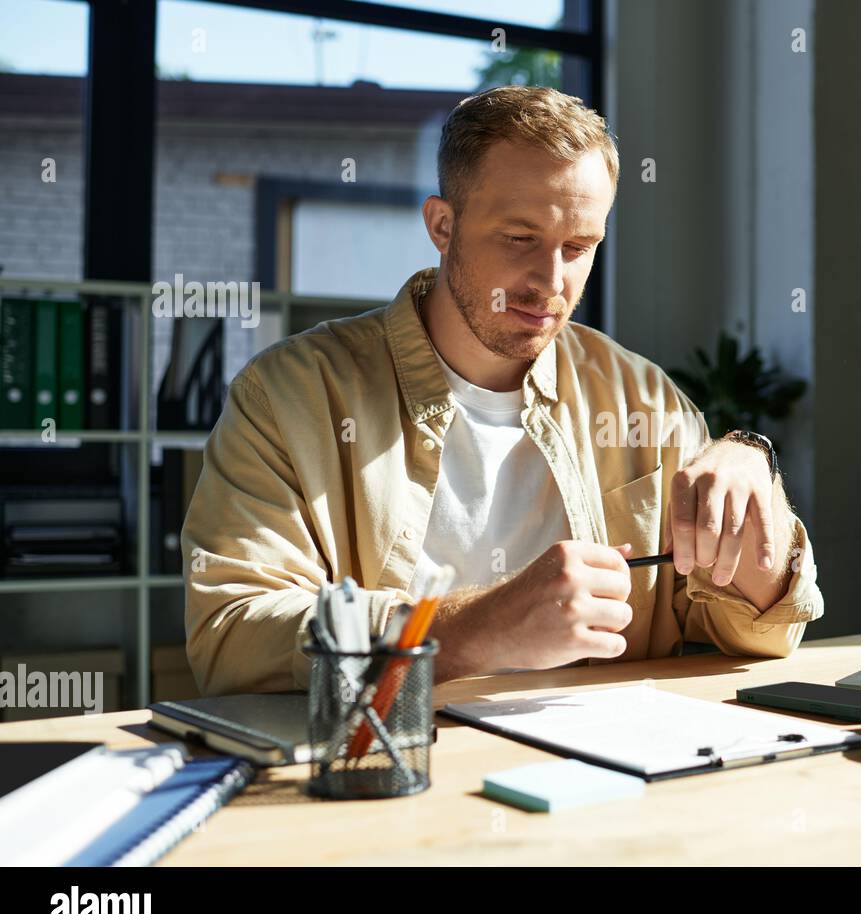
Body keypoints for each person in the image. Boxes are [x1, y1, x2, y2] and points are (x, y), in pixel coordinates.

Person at [182, 85, 822, 694]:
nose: (549, 280)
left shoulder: (642, 399)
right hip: (393, 772)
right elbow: (232, 635)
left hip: (599, 774)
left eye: (579, 246)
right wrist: (470, 630)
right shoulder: (290, 396)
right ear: (441, 225)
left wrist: (753, 475)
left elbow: (759, 629)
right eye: (520, 238)